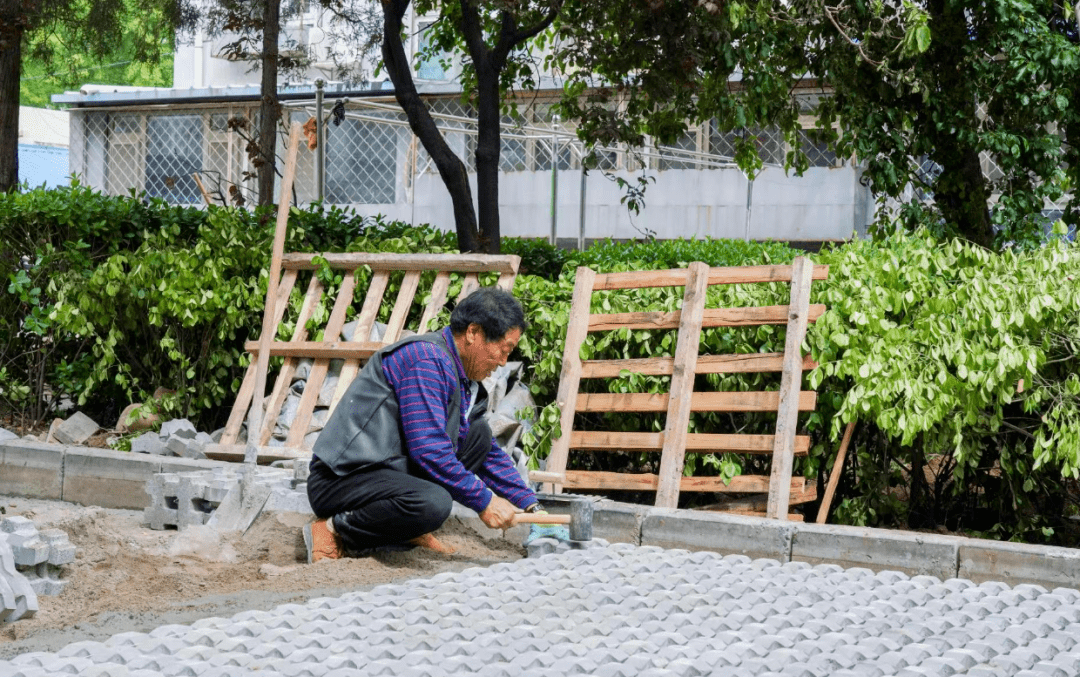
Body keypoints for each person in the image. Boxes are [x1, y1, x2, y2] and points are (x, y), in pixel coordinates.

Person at [303, 286, 541, 561]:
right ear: (473, 333)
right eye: (503, 349)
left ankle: (405, 529)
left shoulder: (457, 375)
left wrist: (532, 506)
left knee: (477, 434)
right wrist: (485, 501)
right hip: (343, 479)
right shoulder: (427, 360)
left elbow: (485, 452)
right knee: (433, 503)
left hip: (386, 472)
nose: (502, 362)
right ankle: (333, 528)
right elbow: (429, 450)